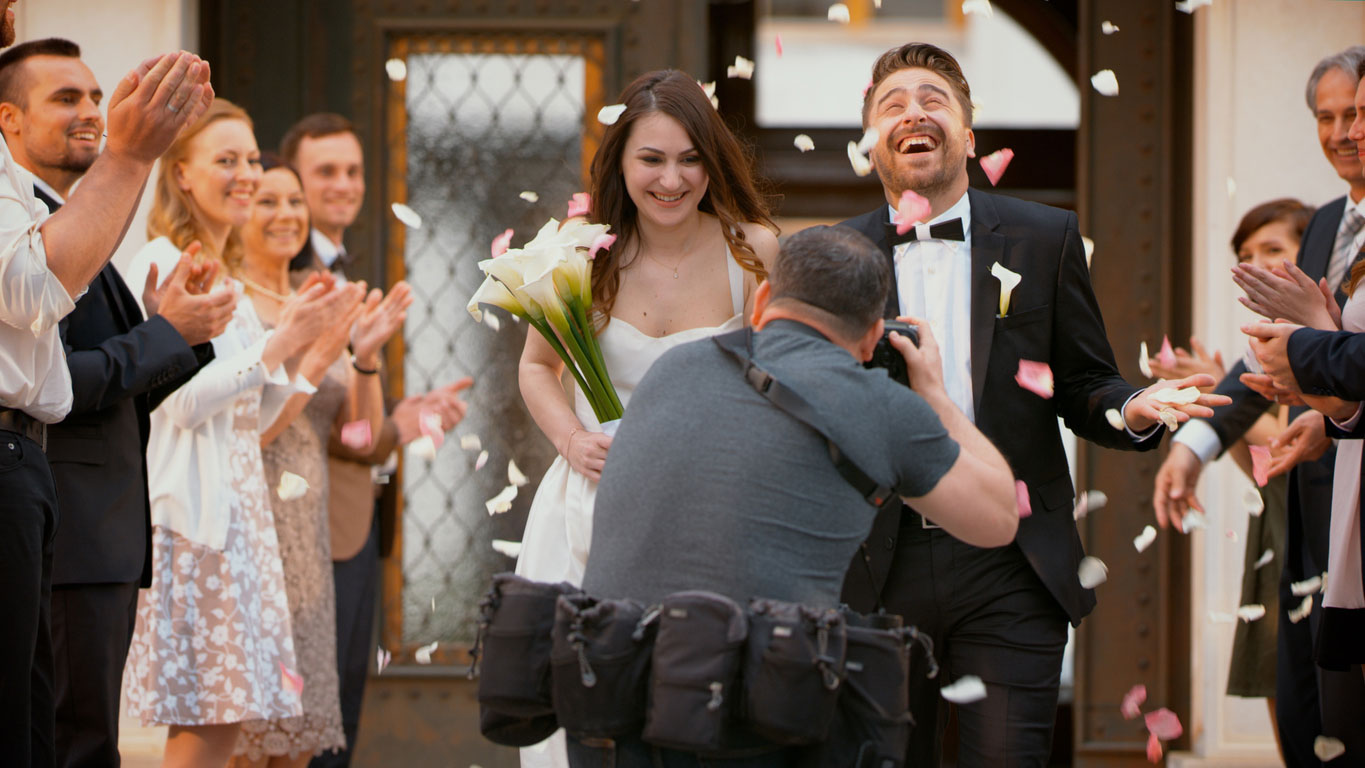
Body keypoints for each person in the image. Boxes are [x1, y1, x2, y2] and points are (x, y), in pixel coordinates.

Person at [838, 42, 1226, 767]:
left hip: (1010, 562)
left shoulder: (1043, 236)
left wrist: (1131, 408)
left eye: (933, 100)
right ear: (869, 142)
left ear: (968, 133)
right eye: (892, 104)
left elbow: (1082, 384)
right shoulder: (835, 255)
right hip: (874, 565)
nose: (913, 112)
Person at [573, 224, 1018, 766]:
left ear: (762, 301)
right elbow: (998, 518)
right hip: (747, 719)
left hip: (609, 700)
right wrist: (936, 400)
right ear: (874, 336)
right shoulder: (880, 406)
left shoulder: (672, 369)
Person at [514, 69, 778, 768]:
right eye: (652, 159)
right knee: (580, 715)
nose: (672, 179)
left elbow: (782, 383)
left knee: (691, 717)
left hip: (708, 521)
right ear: (620, 162)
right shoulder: (580, 252)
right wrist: (570, 439)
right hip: (587, 511)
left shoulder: (753, 252)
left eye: (691, 158)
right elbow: (536, 368)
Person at [0, 37, 231, 768]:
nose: (91, 112)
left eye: (96, 96)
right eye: (65, 98)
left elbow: (95, 383)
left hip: (89, 522)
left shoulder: (76, 217)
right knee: (75, 741)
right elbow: (61, 385)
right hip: (64, 516)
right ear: (8, 120)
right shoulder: (35, 230)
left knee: (71, 736)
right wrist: (163, 335)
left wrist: (174, 334)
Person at [120, 99, 351, 768]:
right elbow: (178, 404)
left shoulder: (226, 275)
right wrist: (282, 343)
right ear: (183, 174)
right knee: (206, 725)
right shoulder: (162, 263)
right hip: (196, 527)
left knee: (229, 723)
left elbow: (246, 411)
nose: (247, 174)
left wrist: (311, 347)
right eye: (227, 161)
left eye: (251, 158)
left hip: (241, 522)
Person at [1153, 46, 1365, 766]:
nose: (1342, 132)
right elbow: (1272, 357)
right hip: (1308, 525)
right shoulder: (1328, 223)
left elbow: (1313, 353)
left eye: (1356, 114)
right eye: (1327, 117)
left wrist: (1312, 385)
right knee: (1308, 726)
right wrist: (1189, 449)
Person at [280, 113, 470, 768]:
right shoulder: (294, 280)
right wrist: (393, 426)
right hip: (313, 526)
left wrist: (401, 410)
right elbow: (349, 433)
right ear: (292, 184)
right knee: (318, 727)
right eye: (324, 172)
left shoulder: (340, 269)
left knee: (339, 717)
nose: (343, 185)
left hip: (353, 525)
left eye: (353, 171)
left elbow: (345, 411)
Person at [231, 156, 409, 766]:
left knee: (302, 733)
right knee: (243, 731)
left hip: (308, 531)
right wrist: (315, 355)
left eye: (294, 203)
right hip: (247, 517)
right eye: (267, 201)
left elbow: (359, 436)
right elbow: (239, 420)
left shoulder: (320, 294)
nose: (286, 215)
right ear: (238, 208)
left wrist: (362, 356)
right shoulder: (227, 301)